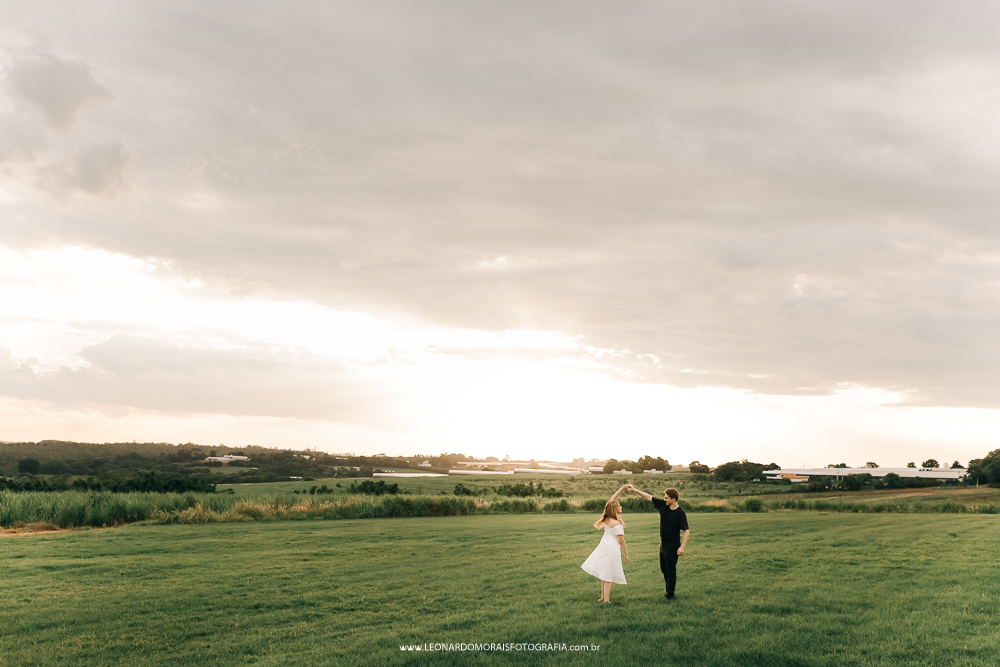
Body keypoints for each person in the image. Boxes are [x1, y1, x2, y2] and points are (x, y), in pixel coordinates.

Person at [627, 484, 689, 599]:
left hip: (673, 545)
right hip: (663, 544)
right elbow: (648, 497)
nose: (664, 499)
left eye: (666, 497)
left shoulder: (680, 513)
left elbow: (686, 530)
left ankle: (670, 595)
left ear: (673, 499)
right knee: (664, 569)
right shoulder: (663, 506)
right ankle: (668, 591)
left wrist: (682, 547)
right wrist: (635, 489)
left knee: (671, 570)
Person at [580, 485, 630, 603]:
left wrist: (622, 489)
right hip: (612, 549)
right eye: (619, 505)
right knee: (609, 576)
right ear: (614, 509)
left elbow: (611, 500)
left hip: (604, 547)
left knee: (605, 574)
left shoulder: (607, 517)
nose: (621, 506)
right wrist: (626, 554)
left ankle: (602, 597)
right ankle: (606, 600)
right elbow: (621, 541)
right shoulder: (616, 523)